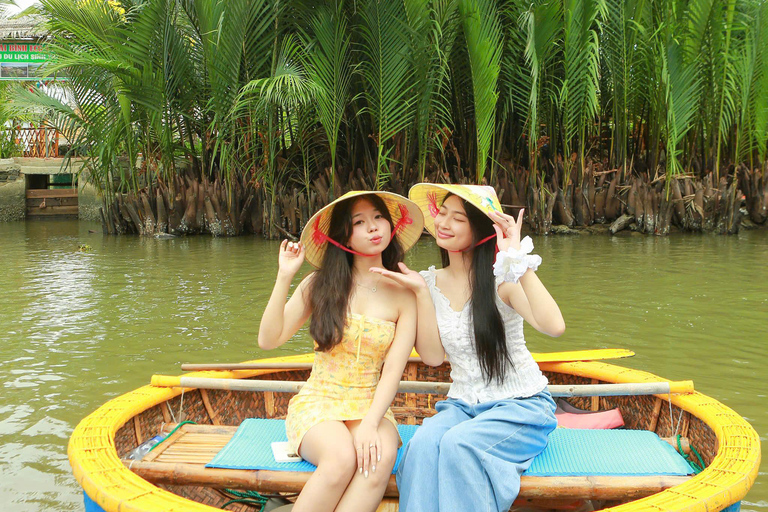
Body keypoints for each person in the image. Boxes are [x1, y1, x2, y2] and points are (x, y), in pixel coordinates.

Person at [371, 184, 566, 512]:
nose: (443, 222)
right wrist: (420, 294)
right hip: (462, 406)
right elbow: (433, 357)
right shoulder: (428, 282)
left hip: (521, 407)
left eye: (457, 218)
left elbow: (555, 326)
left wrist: (517, 258)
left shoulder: (504, 279)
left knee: (458, 445)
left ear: (480, 230)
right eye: (442, 213)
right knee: (422, 445)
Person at [257, 191, 424, 512]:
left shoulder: (405, 292)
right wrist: (284, 275)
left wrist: (373, 423)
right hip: (319, 402)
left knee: (378, 458)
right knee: (341, 457)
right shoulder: (317, 284)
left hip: (371, 405)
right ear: (343, 236)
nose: (373, 228)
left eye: (378, 218)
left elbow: (393, 371)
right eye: (359, 222)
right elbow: (269, 339)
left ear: (391, 225)